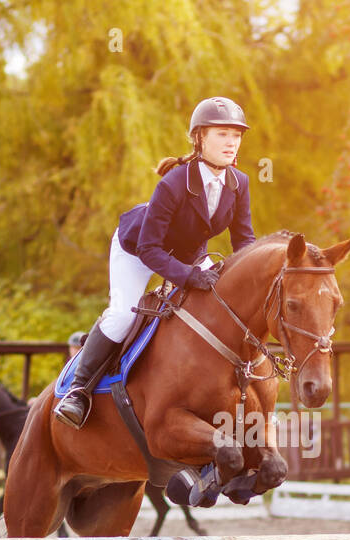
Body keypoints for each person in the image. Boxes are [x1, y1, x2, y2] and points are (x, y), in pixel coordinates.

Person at [54, 97, 257, 428]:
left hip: (188, 255)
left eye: (236, 134)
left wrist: (247, 277)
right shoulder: (174, 183)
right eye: (222, 134)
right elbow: (151, 250)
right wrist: (189, 277)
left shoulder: (240, 182)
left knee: (217, 305)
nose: (231, 142)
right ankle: (78, 390)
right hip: (137, 249)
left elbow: (244, 240)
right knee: (122, 313)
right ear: (200, 138)